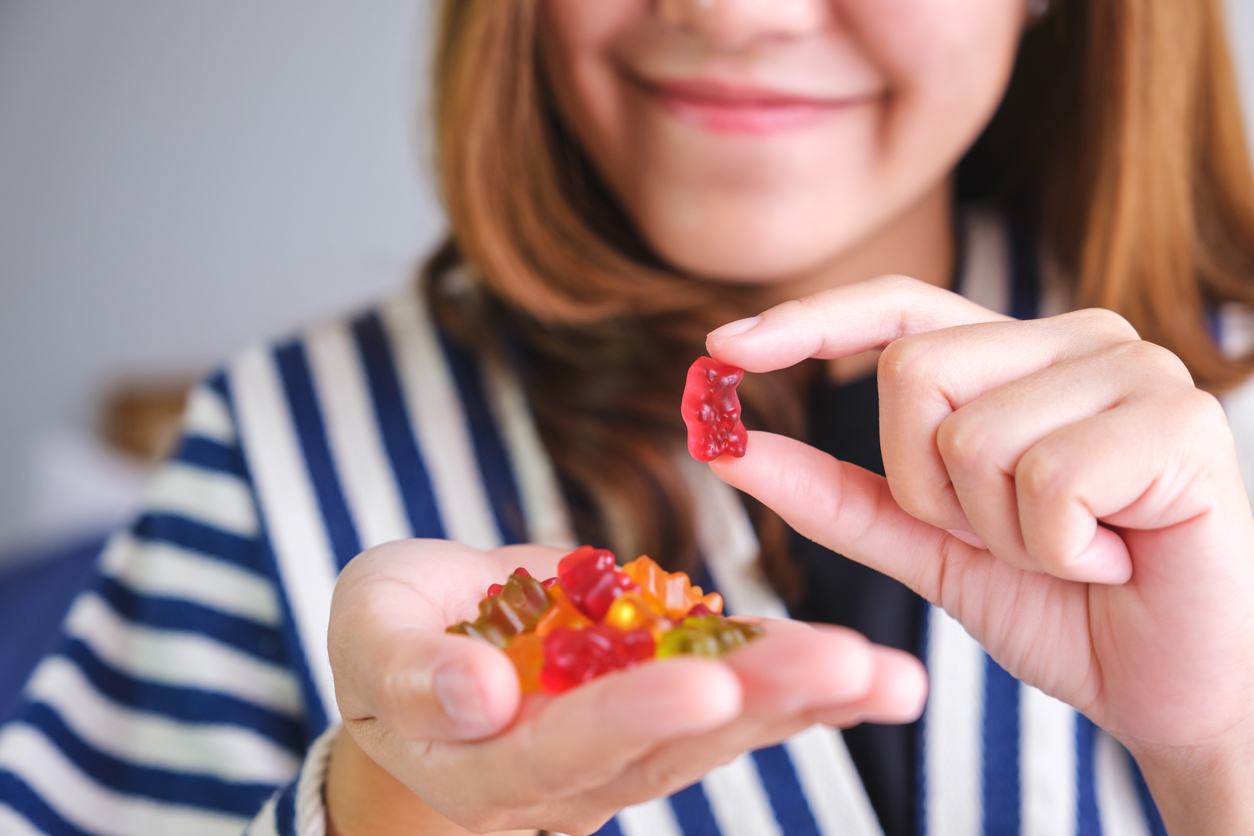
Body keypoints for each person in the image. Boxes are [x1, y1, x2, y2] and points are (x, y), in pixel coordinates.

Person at [2, 0, 1254, 834]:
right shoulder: (278, 442)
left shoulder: (1226, 423)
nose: (735, 14)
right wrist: (391, 805)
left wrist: (1219, 749)